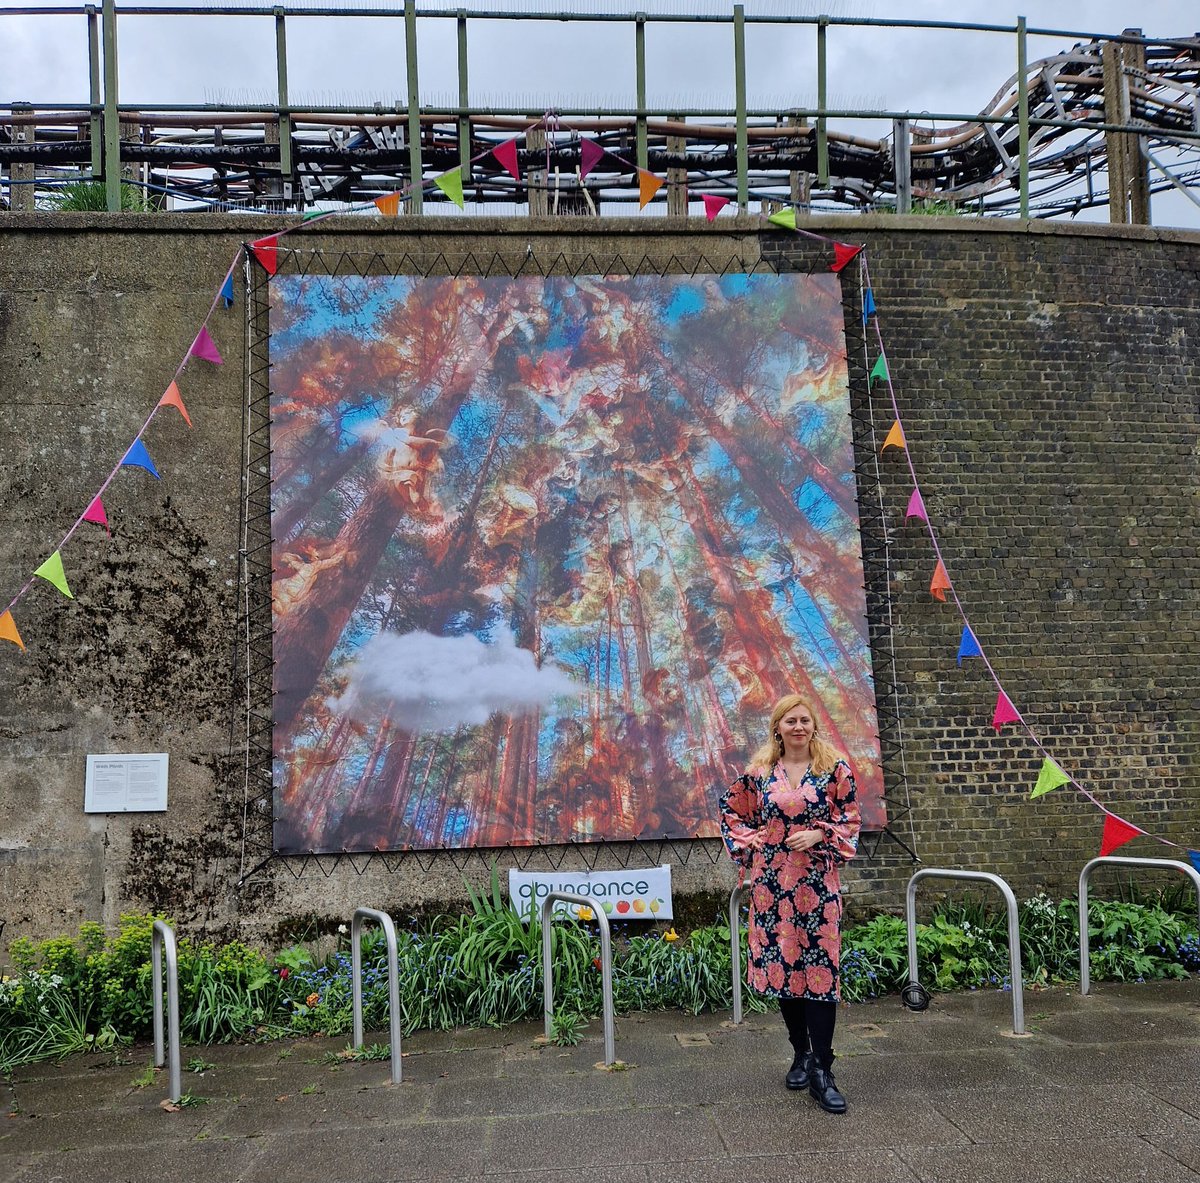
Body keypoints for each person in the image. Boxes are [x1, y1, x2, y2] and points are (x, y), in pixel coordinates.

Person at [720, 693, 862, 1113]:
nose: (798, 727)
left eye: (804, 720)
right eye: (790, 721)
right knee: (784, 968)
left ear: (813, 725)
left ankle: (823, 1069)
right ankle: (800, 1051)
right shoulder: (759, 773)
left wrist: (819, 835)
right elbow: (730, 812)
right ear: (777, 728)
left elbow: (852, 819)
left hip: (818, 887)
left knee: (820, 971)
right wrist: (756, 841)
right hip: (772, 888)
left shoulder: (835, 770)